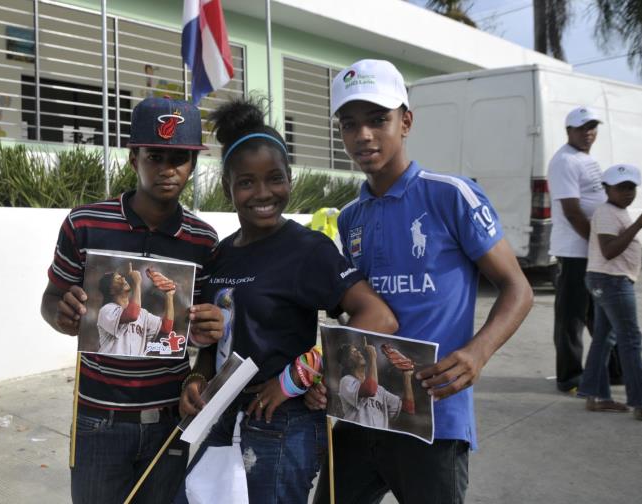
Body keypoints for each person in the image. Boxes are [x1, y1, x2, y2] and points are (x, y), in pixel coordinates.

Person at [309, 59, 533, 504]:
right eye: (350, 124)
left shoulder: (451, 195)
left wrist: (477, 353)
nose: (364, 135)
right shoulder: (351, 217)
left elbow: (518, 290)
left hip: (432, 416)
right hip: (359, 413)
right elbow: (359, 314)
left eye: (378, 120)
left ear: (406, 121)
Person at [177, 97, 398, 504]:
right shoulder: (220, 254)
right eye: (246, 182)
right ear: (228, 187)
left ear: (289, 179)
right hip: (223, 416)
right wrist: (197, 378)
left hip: (282, 423)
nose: (263, 193)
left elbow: (379, 317)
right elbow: (214, 345)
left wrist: (302, 372)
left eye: (274, 178)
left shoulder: (307, 249)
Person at [39, 96, 224, 504]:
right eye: (154, 155)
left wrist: (207, 341)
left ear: (194, 164)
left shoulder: (203, 241)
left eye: (180, 157)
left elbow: (196, 336)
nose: (167, 168)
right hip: (98, 420)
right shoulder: (84, 224)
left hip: (168, 419)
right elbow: (51, 300)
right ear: (132, 158)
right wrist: (62, 313)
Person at [547, 106, 622, 393]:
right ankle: (569, 377)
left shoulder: (584, 158)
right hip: (575, 252)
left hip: (590, 252)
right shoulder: (565, 161)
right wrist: (599, 245)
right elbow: (572, 211)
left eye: (592, 127)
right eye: (582, 127)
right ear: (569, 131)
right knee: (572, 317)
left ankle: (615, 370)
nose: (589, 132)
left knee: (600, 313)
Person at [579, 164, 642, 422]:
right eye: (621, 187)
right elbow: (609, 250)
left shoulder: (615, 211)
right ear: (607, 188)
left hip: (607, 280)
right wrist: (640, 223)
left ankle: (596, 396)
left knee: (604, 338)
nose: (627, 192)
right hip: (612, 282)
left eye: (631, 187)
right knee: (630, 340)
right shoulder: (607, 212)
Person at [95, 264, 175, 356]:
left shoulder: (142, 314)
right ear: (111, 291)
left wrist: (169, 296)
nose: (123, 279)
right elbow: (132, 315)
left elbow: (166, 328)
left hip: (134, 367)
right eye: (117, 279)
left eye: (122, 277)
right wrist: (137, 283)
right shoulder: (106, 310)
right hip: (110, 365)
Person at [337, 338, 415, 429]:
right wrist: (372, 357)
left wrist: (407, 377)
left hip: (379, 439)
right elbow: (370, 390)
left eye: (358, 350)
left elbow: (408, 409)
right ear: (347, 362)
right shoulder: (346, 381)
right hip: (357, 436)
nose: (359, 353)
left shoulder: (380, 391)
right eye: (353, 352)